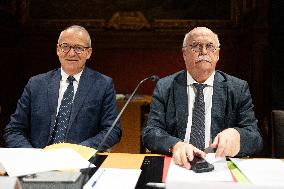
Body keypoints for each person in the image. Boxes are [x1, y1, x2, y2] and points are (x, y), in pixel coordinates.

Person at [142, 27, 263, 169]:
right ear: (184, 54)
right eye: (195, 46)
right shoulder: (165, 86)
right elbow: (151, 133)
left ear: (217, 54)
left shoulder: (237, 88)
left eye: (210, 46)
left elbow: (255, 138)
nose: (204, 51)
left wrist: (237, 135)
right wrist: (174, 145)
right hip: (179, 164)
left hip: (220, 165)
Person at [4, 25, 121, 150]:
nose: (71, 53)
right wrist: (32, 156)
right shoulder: (36, 84)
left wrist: (80, 151)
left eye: (79, 48)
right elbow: (13, 129)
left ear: (88, 53)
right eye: (65, 47)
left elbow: (112, 130)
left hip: (80, 161)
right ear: (58, 50)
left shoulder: (103, 84)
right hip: (38, 161)